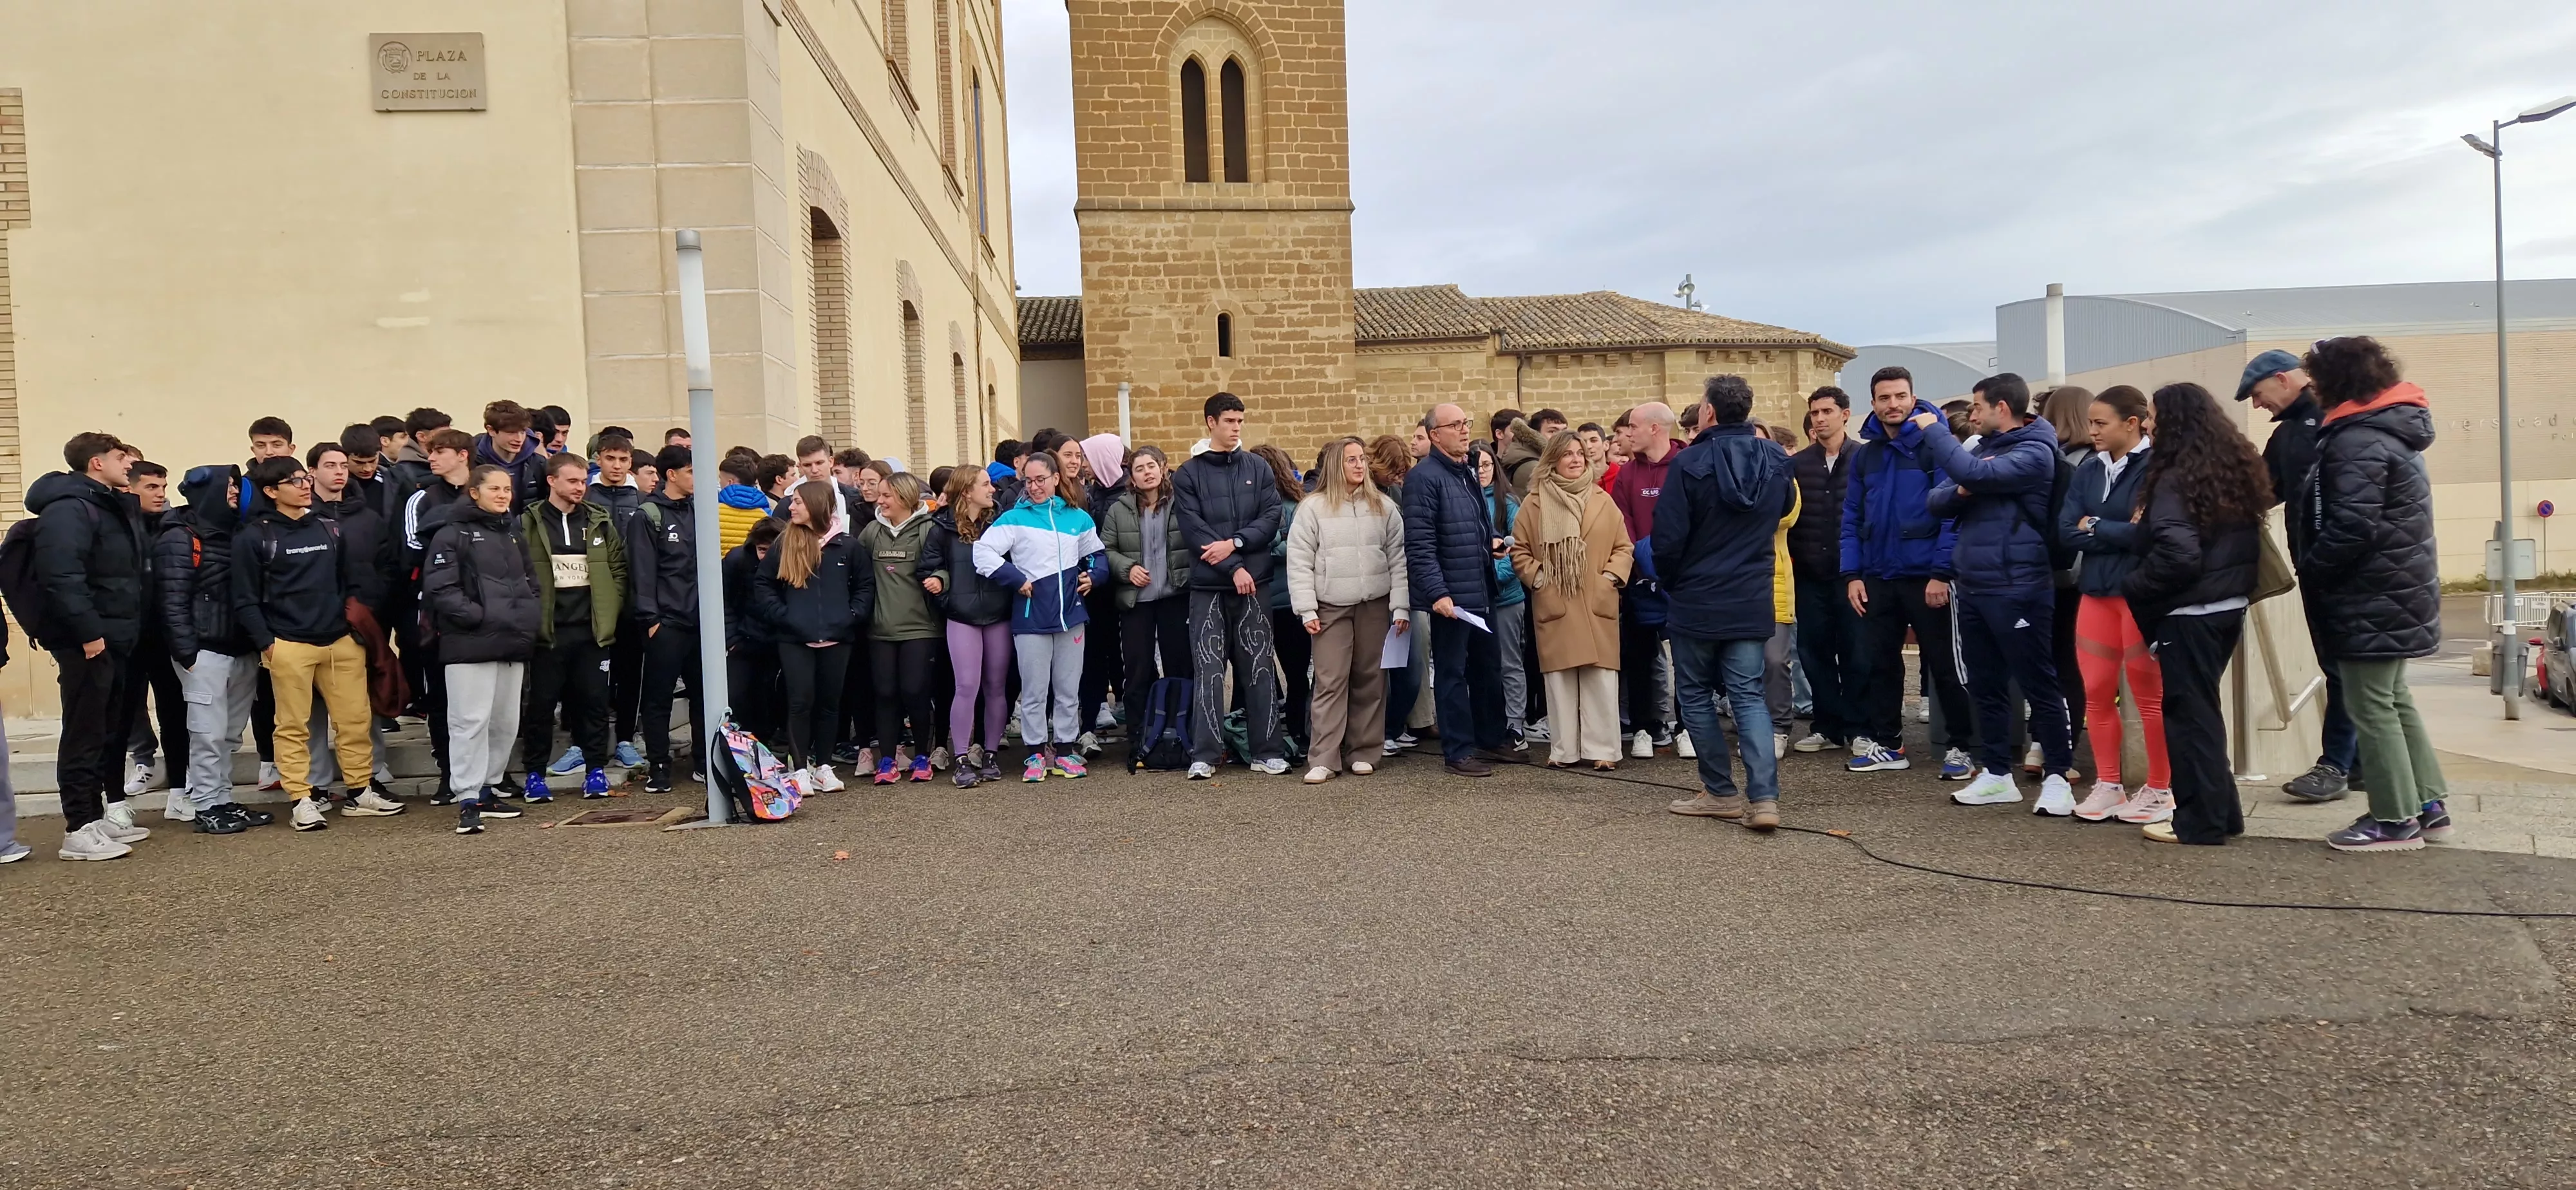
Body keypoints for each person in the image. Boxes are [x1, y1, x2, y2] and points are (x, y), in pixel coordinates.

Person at [2291, 337, 2447, 853]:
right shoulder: (2389, 431)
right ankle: (2427, 804)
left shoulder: (2355, 439)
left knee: (2372, 705)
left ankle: (2393, 818)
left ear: (2335, 381)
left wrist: (2313, 568)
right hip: (2395, 590)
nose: (2312, 390)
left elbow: (2352, 526)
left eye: (2316, 380)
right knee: (2394, 699)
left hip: (2368, 594)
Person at [1914, 372, 2076, 813]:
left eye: (1978, 406)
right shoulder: (1983, 449)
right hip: (1975, 584)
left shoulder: (2035, 452)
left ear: (2002, 408)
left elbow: (1967, 474)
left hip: (2020, 584)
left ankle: (2058, 777)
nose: (1972, 414)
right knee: (1985, 684)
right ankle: (1998, 774)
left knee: (2038, 682)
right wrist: (1967, 485)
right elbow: (1936, 501)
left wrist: (1936, 432)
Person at [2121, 383, 2268, 845]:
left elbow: (2179, 555)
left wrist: (2134, 585)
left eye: (2153, 415)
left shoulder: (2174, 478)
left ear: (2174, 421)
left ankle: (2200, 822)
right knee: (2202, 713)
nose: (2148, 424)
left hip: (2189, 612)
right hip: (2227, 607)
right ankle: (2221, 814)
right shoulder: (2230, 468)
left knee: (2188, 719)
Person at [1656, 377, 1796, 829]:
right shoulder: (1776, 458)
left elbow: (1668, 539)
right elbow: (1782, 510)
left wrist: (1672, 582)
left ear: (1709, 412)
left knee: (1695, 693)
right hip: (1751, 593)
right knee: (1749, 695)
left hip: (1698, 595)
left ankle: (1720, 792)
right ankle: (1765, 799)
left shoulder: (1689, 461)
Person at [2236, 349, 2359, 804]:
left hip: (2340, 568)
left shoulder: (2334, 424)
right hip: (2317, 564)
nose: (2257, 404)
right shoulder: (2290, 434)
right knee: (2341, 667)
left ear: (2283, 379)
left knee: (2346, 668)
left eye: (2257, 393)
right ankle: (2359, 763)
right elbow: (2262, 492)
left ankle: (2337, 764)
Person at [1839, 366, 1975, 779]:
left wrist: (1942, 573)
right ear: (1873, 403)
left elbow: (1954, 514)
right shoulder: (1866, 456)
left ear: (1913, 398)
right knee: (1879, 663)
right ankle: (1889, 744)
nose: (1893, 404)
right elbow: (1852, 516)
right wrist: (1853, 574)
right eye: (1884, 398)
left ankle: (1962, 747)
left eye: (1900, 396)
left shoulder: (1936, 446)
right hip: (1878, 576)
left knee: (1946, 665)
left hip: (1927, 577)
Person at [232, 455, 377, 834]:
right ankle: (301, 800)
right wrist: (268, 644)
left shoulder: (330, 528)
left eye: (305, 479)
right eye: (294, 481)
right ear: (271, 491)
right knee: (292, 727)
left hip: (340, 642)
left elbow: (351, 582)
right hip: (288, 645)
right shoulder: (256, 537)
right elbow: (244, 599)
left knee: (355, 721)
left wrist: (352, 630)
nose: (305, 486)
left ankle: (361, 792)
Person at [32, 433, 153, 860]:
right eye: (121, 457)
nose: (129, 464)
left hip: (115, 637)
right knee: (83, 734)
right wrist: (88, 633)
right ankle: (78, 829)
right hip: (89, 642)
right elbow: (62, 576)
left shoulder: (107, 503)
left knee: (104, 731)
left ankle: (95, 819)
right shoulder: (69, 509)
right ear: (97, 463)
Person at [2057, 385, 2171, 823]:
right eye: (2090, 422)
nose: (2093, 431)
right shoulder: (2089, 468)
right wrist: (2112, 529)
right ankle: (2109, 785)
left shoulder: (2156, 467)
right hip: (2095, 593)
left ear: (2132, 423)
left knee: (2148, 697)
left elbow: (2147, 535)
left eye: (2101, 423)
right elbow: (2066, 531)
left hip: (2138, 596)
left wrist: (2094, 525)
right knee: (2097, 692)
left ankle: (2160, 789)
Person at [1170, 393, 1289, 778]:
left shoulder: (1258, 466)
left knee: (1259, 668)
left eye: (1240, 420)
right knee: (1208, 671)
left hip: (1255, 585)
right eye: (1229, 421)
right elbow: (1194, 531)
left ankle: (1267, 752)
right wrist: (1235, 567)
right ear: (1211, 422)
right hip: (1209, 588)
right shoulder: (1188, 474)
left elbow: (1271, 518)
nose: (1237, 427)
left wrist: (1235, 544)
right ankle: (1205, 755)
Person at [421, 464, 542, 835]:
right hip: (469, 643)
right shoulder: (451, 534)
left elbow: (530, 581)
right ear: (474, 492)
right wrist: (478, 617)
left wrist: (528, 613)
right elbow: (441, 589)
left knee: (505, 722)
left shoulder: (513, 533)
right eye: (495, 489)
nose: (504, 495)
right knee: (469, 722)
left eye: (507, 489)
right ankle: (468, 796)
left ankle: (489, 788)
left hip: (512, 641)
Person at [156, 465, 275, 835]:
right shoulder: (180, 537)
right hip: (204, 654)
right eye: (228, 486)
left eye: (237, 486)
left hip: (241, 651)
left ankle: (223, 800)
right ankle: (206, 804)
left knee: (229, 735)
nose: (236, 492)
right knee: (207, 734)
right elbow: (171, 600)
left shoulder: (238, 532)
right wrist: (188, 655)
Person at [973, 453, 1106, 781]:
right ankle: (1034, 754)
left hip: (1071, 617)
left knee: (1068, 689)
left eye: (1040, 480)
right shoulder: (1013, 518)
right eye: (1028, 481)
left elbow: (1097, 554)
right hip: (1031, 618)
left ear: (1056, 479)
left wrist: (1094, 576)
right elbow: (982, 552)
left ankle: (1064, 751)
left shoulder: (1077, 517)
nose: (1034, 487)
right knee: (1034, 691)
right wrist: (1015, 578)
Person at [1284, 436, 1408, 783]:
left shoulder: (1384, 507)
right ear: (1335, 466)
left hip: (1374, 604)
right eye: (1351, 460)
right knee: (1330, 680)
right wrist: (1307, 609)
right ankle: (1324, 756)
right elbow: (1299, 560)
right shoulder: (1312, 508)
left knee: (1371, 679)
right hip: (1330, 607)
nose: (1359, 465)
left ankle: (1364, 751)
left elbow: (1399, 560)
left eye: (1362, 459)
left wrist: (1401, 606)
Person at [1510, 431, 1631, 770]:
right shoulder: (1534, 503)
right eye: (1567, 454)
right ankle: (1565, 750)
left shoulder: (1602, 499)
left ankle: (1603, 750)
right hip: (1557, 600)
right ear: (1553, 460)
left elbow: (1623, 546)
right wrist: (1540, 579)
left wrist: (1610, 578)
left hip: (1595, 599)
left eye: (1580, 453)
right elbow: (1519, 551)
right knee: (1560, 680)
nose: (1576, 459)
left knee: (1600, 679)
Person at [517, 453, 630, 802]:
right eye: (572, 481)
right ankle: (535, 775)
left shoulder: (599, 521)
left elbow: (618, 570)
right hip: (548, 632)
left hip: (592, 632)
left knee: (594, 703)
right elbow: (517, 571)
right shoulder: (529, 522)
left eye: (583, 481)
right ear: (551, 481)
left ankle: (595, 771)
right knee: (541, 706)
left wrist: (610, 610)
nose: (580, 488)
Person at [1406, 402, 1509, 777]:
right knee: (1452, 673)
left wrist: (1491, 540)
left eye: (1466, 423)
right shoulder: (1424, 478)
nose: (1465, 430)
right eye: (1455, 425)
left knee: (1488, 667)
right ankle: (1459, 751)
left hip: (1481, 587)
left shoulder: (1466, 470)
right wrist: (1437, 593)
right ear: (1435, 435)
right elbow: (1420, 543)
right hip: (1452, 596)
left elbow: (1477, 521)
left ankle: (1491, 738)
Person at [303, 442, 403, 810]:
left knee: (362, 704)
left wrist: (368, 604)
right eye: (330, 465)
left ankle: (369, 777)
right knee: (311, 711)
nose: (340, 472)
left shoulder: (367, 518)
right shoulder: (299, 516)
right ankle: (315, 785)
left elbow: (386, 566)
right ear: (312, 471)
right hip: (309, 626)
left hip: (358, 623)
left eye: (343, 465)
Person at [755, 480, 866, 789]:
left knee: (830, 704)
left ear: (816, 506)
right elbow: (764, 584)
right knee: (800, 702)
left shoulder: (848, 546)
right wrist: (784, 617)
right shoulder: (785, 543)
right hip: (795, 639)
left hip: (837, 638)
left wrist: (851, 617)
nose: (791, 507)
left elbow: (864, 586)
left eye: (798, 502)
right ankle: (800, 769)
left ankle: (825, 766)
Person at [1099, 445, 1193, 773]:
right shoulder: (1119, 509)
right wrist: (1127, 569)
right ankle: (1139, 738)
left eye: (1151, 466)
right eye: (1139, 469)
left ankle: (1182, 733)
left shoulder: (1182, 502)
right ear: (1132, 476)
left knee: (1180, 666)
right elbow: (1105, 549)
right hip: (1135, 601)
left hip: (1175, 597)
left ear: (1164, 467)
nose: (1147, 473)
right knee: (1137, 670)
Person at [398, 427, 477, 800]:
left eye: (439, 451)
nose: (431, 457)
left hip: (485, 610)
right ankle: (448, 773)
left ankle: (488, 776)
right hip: (437, 613)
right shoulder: (422, 498)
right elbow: (412, 552)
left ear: (463, 455)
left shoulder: (485, 490)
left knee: (483, 701)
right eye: (430, 451)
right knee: (442, 698)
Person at [923, 466, 1012, 787]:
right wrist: (948, 600)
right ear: (966, 491)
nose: (993, 490)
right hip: (962, 617)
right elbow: (929, 569)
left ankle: (990, 754)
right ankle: (961, 758)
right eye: (985, 485)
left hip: (999, 615)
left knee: (996, 687)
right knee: (966, 686)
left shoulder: (1001, 523)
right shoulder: (940, 527)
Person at [1788, 386, 1865, 754]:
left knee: (1856, 653)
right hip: (1809, 574)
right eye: (1815, 413)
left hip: (1853, 575)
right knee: (1813, 652)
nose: (1820, 419)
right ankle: (1827, 726)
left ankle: (1859, 727)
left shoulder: (1864, 458)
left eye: (1827, 411)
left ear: (1845, 415)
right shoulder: (1799, 464)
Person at [627, 445, 708, 792]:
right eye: (691, 471)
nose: (697, 478)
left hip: (700, 621)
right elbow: (641, 571)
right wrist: (651, 620)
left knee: (705, 696)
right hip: (666, 623)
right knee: (659, 697)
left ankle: (705, 762)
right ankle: (659, 766)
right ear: (671, 475)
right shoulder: (648, 515)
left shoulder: (700, 510)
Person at [856, 471, 943, 783]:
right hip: (880, 629)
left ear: (905, 498)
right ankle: (887, 760)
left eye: (886, 496)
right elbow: (857, 570)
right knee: (884, 693)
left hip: (920, 628)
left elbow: (945, 565)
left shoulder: (929, 529)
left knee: (915, 691)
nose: (879, 501)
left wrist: (941, 579)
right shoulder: (872, 531)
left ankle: (922, 756)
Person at [1608, 403, 1683, 758]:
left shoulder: (1686, 466)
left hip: (1680, 581)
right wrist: (1645, 562)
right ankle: (1643, 727)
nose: (1627, 433)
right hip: (1638, 580)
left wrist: (1666, 564)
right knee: (1638, 658)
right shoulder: (1627, 475)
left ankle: (1686, 727)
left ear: (1655, 428)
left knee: (1686, 659)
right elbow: (1622, 523)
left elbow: (1689, 520)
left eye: (1633, 427)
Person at [117, 460, 188, 805]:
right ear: (129, 489)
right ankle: (122, 792)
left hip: (165, 636)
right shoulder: (116, 528)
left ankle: (179, 791)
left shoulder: (172, 527)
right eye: (151, 488)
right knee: (123, 714)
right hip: (127, 637)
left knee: (174, 713)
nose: (160, 494)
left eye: (163, 487)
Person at [1252, 443, 1314, 746]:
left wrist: (1271, 543)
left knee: (1295, 673)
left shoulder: (1294, 506)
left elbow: (1299, 548)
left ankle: (1299, 731)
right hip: (1266, 600)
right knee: (1271, 674)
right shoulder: (1256, 507)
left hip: (1288, 601)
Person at [1473, 445, 1531, 748]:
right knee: (1480, 665)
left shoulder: (1507, 503)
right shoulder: (1463, 501)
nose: (1482, 471)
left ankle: (1515, 723)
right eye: (1476, 466)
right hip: (1473, 599)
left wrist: (1493, 575)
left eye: (1487, 465)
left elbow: (1517, 550)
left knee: (1509, 662)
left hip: (1506, 597)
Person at [1076, 431, 1129, 753]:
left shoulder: (1126, 496)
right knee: (1094, 659)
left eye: (1087, 457)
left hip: (1120, 590)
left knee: (1127, 657)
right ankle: (1089, 723)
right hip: (1095, 591)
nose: (1083, 464)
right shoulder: (1092, 493)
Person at [473, 400, 549, 513]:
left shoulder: (539, 463)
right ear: (491, 431)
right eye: (511, 432)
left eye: (523, 432)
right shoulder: (472, 462)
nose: (519, 439)